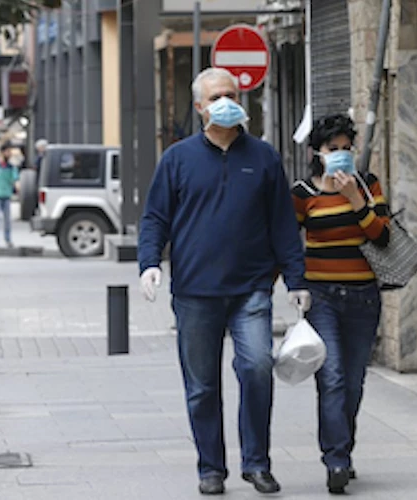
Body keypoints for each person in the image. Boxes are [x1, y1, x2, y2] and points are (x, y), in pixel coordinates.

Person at [137, 67, 311, 496]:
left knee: (256, 368)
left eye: (231, 94)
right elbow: (155, 216)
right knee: (202, 387)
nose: (226, 102)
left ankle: (257, 463)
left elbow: (283, 225)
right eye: (216, 97)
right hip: (195, 292)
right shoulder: (177, 159)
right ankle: (210, 468)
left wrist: (296, 279)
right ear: (199, 107)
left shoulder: (265, 157)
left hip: (251, 288)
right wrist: (148, 263)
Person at [291, 113, 391, 494]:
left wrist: (354, 199)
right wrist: (293, 285)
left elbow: (381, 236)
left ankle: (343, 449)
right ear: (318, 152)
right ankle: (336, 460)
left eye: (348, 148)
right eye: (334, 149)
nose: (342, 156)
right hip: (322, 299)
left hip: (364, 297)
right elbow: (290, 240)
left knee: (352, 383)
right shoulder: (303, 192)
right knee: (331, 379)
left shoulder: (367, 185)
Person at [0, 142, 20, 248]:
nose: (10, 154)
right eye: (8, 151)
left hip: (6, 195)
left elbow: (15, 179)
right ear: (3, 152)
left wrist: (17, 187)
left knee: (7, 221)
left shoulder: (10, 167)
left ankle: (8, 239)